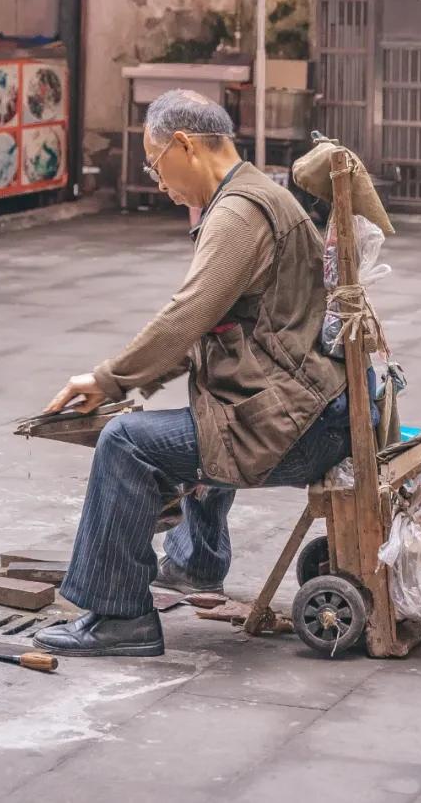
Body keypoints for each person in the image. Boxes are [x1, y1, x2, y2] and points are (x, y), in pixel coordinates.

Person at [34, 89, 354, 659]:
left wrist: (107, 380)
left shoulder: (238, 211)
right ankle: (194, 562)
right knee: (206, 410)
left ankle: (120, 617)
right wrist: (127, 381)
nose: (159, 183)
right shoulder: (256, 194)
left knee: (126, 443)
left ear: (184, 145)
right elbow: (207, 330)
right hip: (310, 407)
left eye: (156, 165)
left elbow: (187, 315)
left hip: (298, 425)